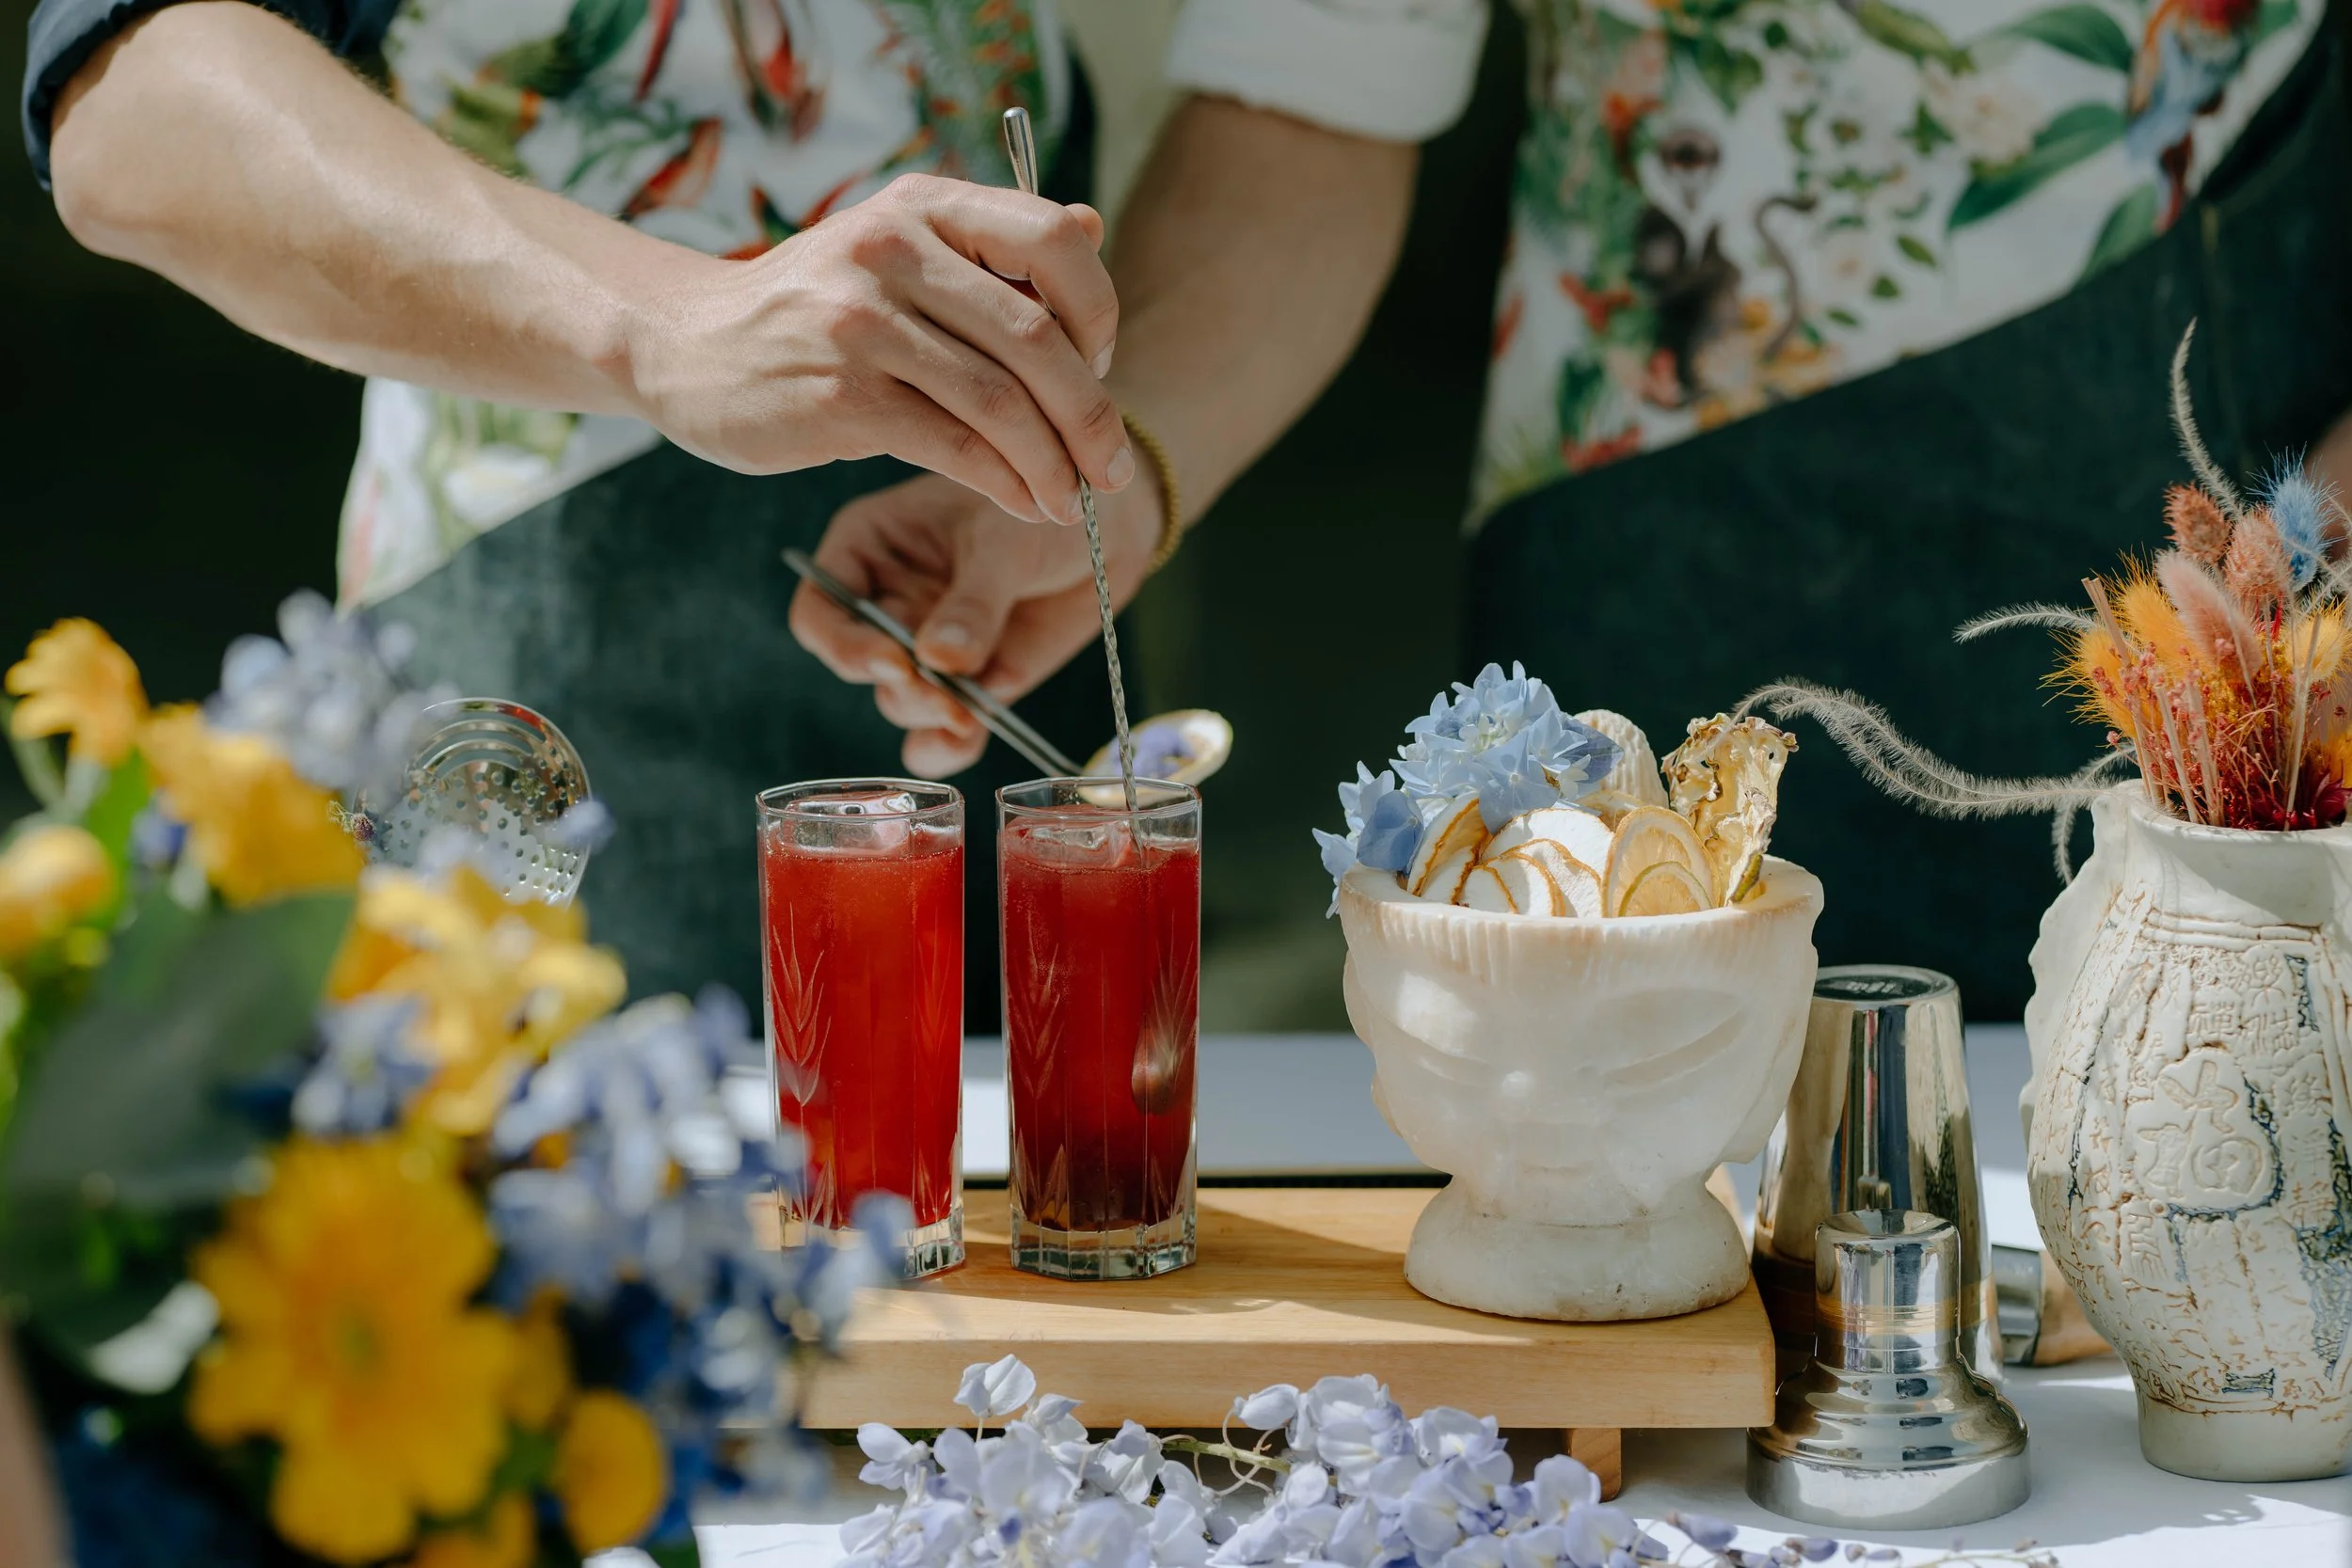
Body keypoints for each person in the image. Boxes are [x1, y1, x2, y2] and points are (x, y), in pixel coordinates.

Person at [818, 0, 2352, 1018]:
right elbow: (1314, 99)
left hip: (2248, 527)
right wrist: (1115, 468)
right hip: (1643, 523)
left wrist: (2314, 575)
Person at [24, 0, 1488, 1012]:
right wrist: (663, 327)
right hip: (530, 632)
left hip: (997, 649)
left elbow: (1332, 69)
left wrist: (1126, 463)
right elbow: (131, 94)